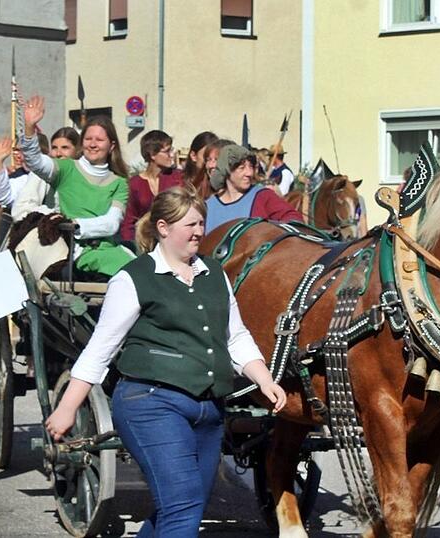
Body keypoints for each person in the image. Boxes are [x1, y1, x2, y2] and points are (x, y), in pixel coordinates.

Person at [44, 186, 286, 537]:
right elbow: (100, 349)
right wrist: (68, 408)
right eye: (190, 224)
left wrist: (264, 379)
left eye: (201, 223)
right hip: (151, 404)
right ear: (163, 227)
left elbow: (236, 336)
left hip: (209, 410)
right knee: (183, 505)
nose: (199, 232)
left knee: (183, 507)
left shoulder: (214, 274)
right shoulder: (133, 279)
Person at [19, 95, 134, 277]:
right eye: (88, 139)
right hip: (75, 252)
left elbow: (111, 224)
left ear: (111, 146)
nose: (93, 144)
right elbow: (35, 161)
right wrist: (29, 128)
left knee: (142, 268)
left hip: (109, 250)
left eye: (99, 140)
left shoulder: (119, 182)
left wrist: (76, 224)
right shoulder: (66, 168)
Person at [204, 144, 303, 235]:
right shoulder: (208, 207)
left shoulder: (263, 196)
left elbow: (294, 220)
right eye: (242, 168)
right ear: (227, 170)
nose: (249, 173)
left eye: (251, 167)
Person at [121, 130, 185, 242]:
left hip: (173, 239)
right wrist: (130, 247)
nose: (172, 155)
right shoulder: (135, 184)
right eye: (167, 151)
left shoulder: (177, 177)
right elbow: (128, 221)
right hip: (145, 241)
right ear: (152, 154)